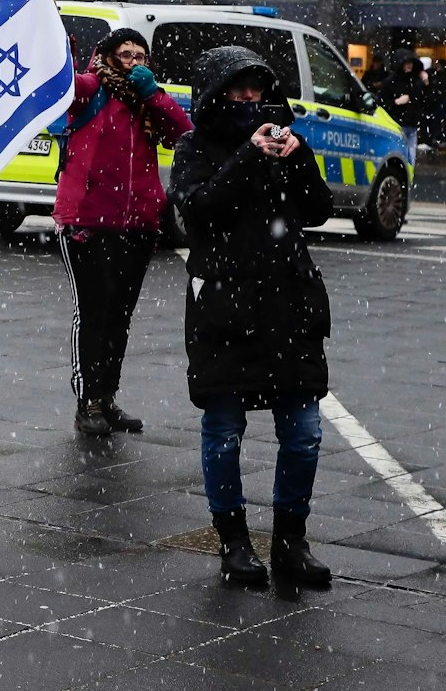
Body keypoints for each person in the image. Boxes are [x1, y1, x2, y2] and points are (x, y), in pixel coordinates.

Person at [170, 45, 336, 590]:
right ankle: (234, 543)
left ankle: (291, 542)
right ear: (217, 93)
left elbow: (317, 209)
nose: (250, 100)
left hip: (289, 306)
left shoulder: (287, 141)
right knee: (223, 430)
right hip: (226, 309)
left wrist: (297, 157)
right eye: (239, 89)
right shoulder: (195, 146)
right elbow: (198, 209)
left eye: (257, 90)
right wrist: (248, 155)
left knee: (304, 431)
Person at [53, 28, 192, 437]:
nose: (133, 61)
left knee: (118, 317)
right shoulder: (92, 87)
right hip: (87, 222)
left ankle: (107, 398)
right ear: (108, 56)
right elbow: (65, 86)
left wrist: (151, 94)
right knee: (93, 313)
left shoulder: (147, 99)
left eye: (141, 55)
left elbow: (183, 133)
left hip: (137, 226)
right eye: (125, 53)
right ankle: (88, 402)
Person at [377, 50, 427, 163]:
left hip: (411, 126)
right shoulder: (391, 82)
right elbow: (381, 103)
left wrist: (426, 82)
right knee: (401, 160)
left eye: (411, 62)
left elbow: (425, 99)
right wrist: (396, 102)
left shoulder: (415, 81)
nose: (409, 65)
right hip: (398, 126)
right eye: (406, 62)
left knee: (409, 161)